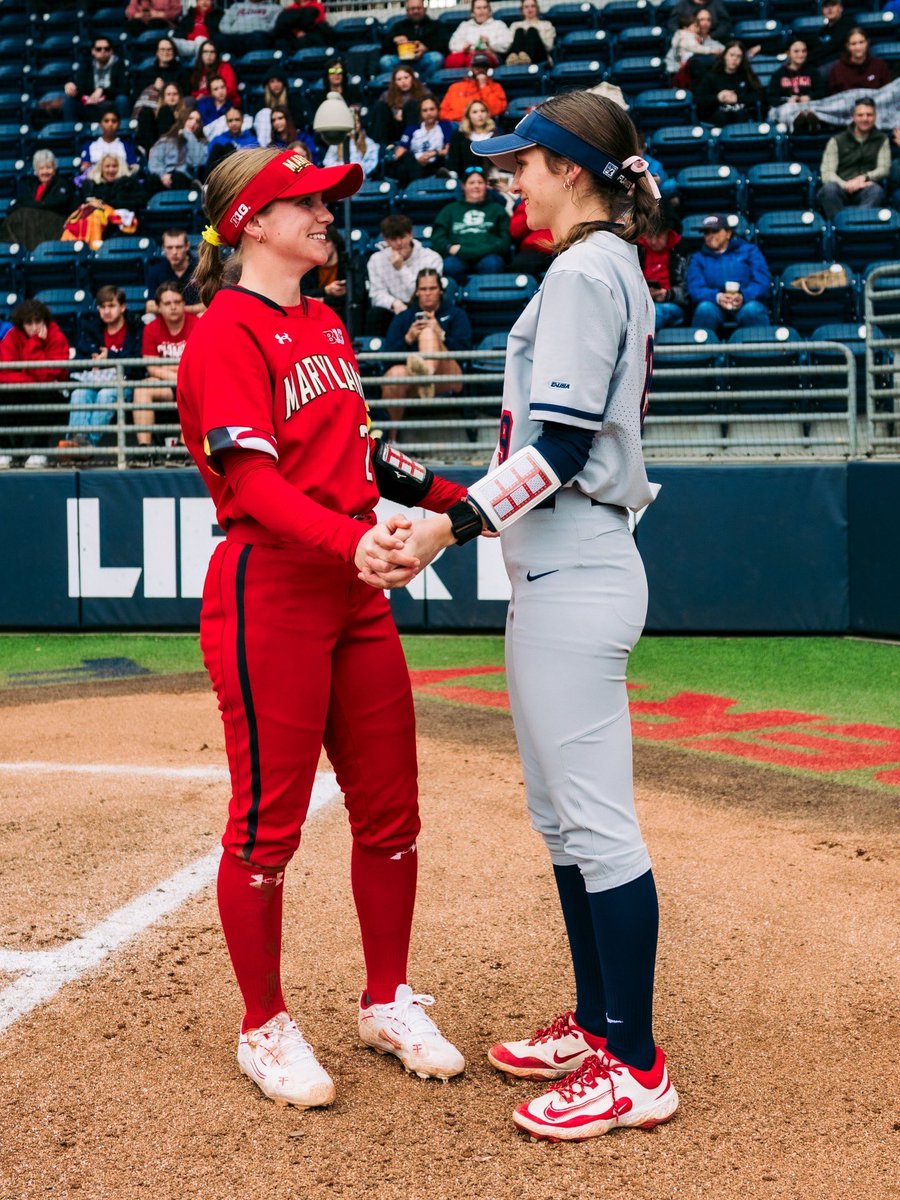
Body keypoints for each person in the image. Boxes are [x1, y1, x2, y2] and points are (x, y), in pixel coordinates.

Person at [377, 90, 680, 1141]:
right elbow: (546, 454)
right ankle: (602, 1024)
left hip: (579, 566)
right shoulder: (602, 268)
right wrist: (431, 491)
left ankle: (634, 1064)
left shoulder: (585, 269)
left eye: (529, 162)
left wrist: (441, 530)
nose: (516, 176)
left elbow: (556, 455)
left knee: (595, 824)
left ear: (574, 171)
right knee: (564, 820)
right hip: (560, 564)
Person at [176, 145, 473, 1109]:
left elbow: (361, 450)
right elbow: (252, 483)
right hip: (276, 589)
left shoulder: (330, 324)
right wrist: (351, 543)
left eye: (326, 201)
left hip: (352, 589)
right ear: (250, 223)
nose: (325, 214)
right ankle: (263, 1024)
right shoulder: (224, 331)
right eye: (303, 202)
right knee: (268, 826)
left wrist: (461, 499)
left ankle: (386, 997)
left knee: (392, 810)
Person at [380, 267, 470, 428]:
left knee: (428, 331)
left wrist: (440, 334)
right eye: (423, 289)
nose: (428, 293)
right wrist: (408, 339)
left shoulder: (456, 314)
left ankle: (426, 374)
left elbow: (465, 351)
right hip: (413, 380)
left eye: (432, 288)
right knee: (394, 376)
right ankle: (392, 438)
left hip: (449, 374)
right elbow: (387, 358)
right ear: (417, 292)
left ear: (440, 291)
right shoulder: (404, 317)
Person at [60, 285, 143, 453]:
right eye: (102, 307)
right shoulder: (92, 329)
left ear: (122, 307)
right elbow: (79, 358)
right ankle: (77, 441)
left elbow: (139, 364)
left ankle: (84, 445)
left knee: (107, 394)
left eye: (111, 306)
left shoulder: (135, 328)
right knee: (79, 393)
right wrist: (91, 362)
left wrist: (110, 357)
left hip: (125, 383)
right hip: (93, 382)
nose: (106, 311)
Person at [0, 298, 70, 469]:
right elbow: (3, 373)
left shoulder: (56, 335)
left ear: (44, 321)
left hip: (51, 395)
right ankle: (5, 450)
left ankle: (39, 450)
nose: (34, 327)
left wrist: (34, 344)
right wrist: (31, 380)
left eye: (37, 321)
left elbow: (47, 376)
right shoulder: (12, 336)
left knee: (44, 392)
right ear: (21, 324)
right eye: (28, 322)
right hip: (23, 391)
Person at [138, 283, 200, 447]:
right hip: (166, 384)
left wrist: (165, 368)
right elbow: (151, 367)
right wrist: (179, 371)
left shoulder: (197, 324)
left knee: (197, 386)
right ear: (158, 307)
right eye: (167, 304)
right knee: (142, 388)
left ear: (184, 304)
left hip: (191, 383)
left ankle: (184, 448)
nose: (173, 307)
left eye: (177, 302)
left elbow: (197, 365)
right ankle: (144, 450)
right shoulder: (151, 329)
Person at [686, 213, 772, 331]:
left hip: (746, 301)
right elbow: (695, 288)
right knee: (704, 309)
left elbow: (762, 281)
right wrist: (718, 297)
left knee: (752, 310)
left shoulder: (750, 251)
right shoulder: (698, 258)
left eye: (715, 231)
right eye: (707, 232)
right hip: (714, 303)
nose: (710, 236)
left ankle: (762, 349)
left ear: (728, 233)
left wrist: (743, 295)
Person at [430, 164, 510, 282]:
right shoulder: (450, 209)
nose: (476, 186)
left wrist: (471, 250)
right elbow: (438, 237)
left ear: (486, 186)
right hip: (457, 257)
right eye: (471, 183)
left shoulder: (497, 209)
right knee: (450, 266)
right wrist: (448, 247)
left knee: (493, 264)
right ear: (463, 186)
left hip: (488, 256)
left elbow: (505, 240)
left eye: (480, 182)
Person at [366, 214, 444, 334]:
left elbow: (425, 292)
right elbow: (376, 294)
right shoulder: (376, 260)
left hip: (422, 307)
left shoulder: (431, 258)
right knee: (375, 314)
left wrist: (401, 269)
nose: (399, 243)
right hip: (393, 309)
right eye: (393, 239)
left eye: (402, 237)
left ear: (410, 234)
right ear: (385, 240)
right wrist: (394, 303)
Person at [817, 98, 890, 218]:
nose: (865, 119)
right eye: (860, 115)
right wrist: (846, 185)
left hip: (866, 187)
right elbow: (827, 173)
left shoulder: (882, 139)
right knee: (829, 189)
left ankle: (859, 225)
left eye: (869, 115)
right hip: (840, 187)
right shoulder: (836, 140)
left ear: (875, 117)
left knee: (877, 191)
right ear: (853, 117)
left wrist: (864, 178)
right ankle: (841, 227)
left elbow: (884, 168)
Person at [0, 150, 74, 250]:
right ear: (36, 170)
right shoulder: (32, 185)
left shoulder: (62, 184)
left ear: (54, 169)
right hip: (31, 225)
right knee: (16, 217)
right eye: (41, 168)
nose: (45, 172)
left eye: (48, 168)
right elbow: (17, 204)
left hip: (55, 225)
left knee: (26, 214)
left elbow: (58, 203)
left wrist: (32, 205)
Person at [63, 35, 132, 123]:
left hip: (111, 102)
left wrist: (102, 91)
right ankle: (71, 134)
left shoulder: (119, 65)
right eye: (99, 49)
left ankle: (124, 131)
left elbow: (124, 88)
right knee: (70, 102)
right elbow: (79, 87)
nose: (103, 51)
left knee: (123, 100)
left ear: (111, 51)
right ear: (93, 51)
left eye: (107, 49)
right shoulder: (86, 66)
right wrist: (71, 86)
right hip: (89, 102)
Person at [388, 97, 455, 186]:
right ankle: (417, 186)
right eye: (425, 110)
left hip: (435, 163)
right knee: (405, 163)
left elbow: (448, 150)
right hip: (414, 165)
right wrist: (417, 159)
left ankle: (418, 187)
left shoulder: (444, 126)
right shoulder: (412, 129)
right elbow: (399, 155)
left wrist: (433, 153)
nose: (429, 113)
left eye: (432, 109)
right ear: (420, 113)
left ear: (438, 110)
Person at [695, 42, 765, 126]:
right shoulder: (711, 76)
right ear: (725, 56)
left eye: (738, 56)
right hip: (716, 118)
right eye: (731, 55)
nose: (734, 59)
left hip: (742, 117)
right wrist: (718, 98)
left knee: (740, 114)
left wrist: (737, 98)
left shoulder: (747, 76)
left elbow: (760, 95)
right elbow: (699, 99)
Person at [638, 216, 689, 329]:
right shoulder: (637, 250)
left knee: (653, 313)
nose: (653, 241)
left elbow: (689, 291)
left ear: (668, 233)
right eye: (650, 236)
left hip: (672, 304)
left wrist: (667, 294)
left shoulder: (682, 251)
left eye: (659, 236)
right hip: (641, 303)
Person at [380, 0, 450, 79]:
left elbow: (445, 45)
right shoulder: (398, 26)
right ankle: (397, 87)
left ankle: (426, 86)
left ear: (425, 9)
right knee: (385, 61)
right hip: (402, 61)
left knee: (436, 58)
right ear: (407, 11)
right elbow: (384, 48)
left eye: (419, 8)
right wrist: (393, 40)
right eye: (412, 9)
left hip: (424, 59)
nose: (416, 11)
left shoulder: (436, 25)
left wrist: (426, 48)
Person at [368, 66, 434, 150]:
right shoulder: (387, 94)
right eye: (399, 79)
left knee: (411, 105)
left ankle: (411, 145)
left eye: (406, 77)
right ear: (394, 82)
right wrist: (395, 113)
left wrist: (405, 112)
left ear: (412, 78)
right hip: (393, 129)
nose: (403, 82)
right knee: (380, 106)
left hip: (416, 127)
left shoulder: (424, 92)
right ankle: (379, 148)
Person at [148, 108, 209, 192]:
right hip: (163, 176)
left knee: (177, 176)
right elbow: (154, 162)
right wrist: (163, 175)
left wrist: (189, 135)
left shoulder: (201, 144)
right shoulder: (166, 140)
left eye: (197, 121)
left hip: (185, 179)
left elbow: (197, 161)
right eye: (190, 118)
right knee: (151, 180)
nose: (193, 123)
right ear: (183, 119)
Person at [145, 229, 204, 315]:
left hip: (195, 317)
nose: (174, 252)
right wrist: (173, 310)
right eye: (169, 247)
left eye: (179, 247)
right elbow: (150, 306)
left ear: (187, 246)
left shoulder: (200, 268)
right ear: (163, 248)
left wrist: (179, 309)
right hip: (167, 317)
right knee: (149, 317)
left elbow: (208, 305)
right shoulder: (155, 271)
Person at [439, 54, 508, 122]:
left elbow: (496, 110)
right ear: (471, 68)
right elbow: (443, 113)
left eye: (484, 66)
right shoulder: (455, 87)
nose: (481, 69)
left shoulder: (495, 87)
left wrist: (483, 86)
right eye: (477, 67)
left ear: (488, 69)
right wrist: (466, 119)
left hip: (484, 125)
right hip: (459, 125)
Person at [445, 0, 512, 69]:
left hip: (489, 55)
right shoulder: (464, 25)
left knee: (479, 59)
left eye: (485, 7)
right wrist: (464, 48)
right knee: (451, 60)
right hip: (467, 54)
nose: (482, 11)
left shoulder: (498, 24)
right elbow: (452, 44)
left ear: (489, 11)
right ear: (472, 12)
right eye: (478, 8)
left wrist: (490, 44)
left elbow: (506, 44)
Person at [826, 28, 892, 95]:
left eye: (861, 42)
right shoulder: (837, 69)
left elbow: (887, 93)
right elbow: (833, 97)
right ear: (847, 46)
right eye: (853, 44)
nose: (858, 47)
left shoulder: (880, 65)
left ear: (867, 43)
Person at [136, 81, 194, 155]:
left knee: (165, 111)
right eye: (168, 94)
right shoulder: (158, 113)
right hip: (153, 145)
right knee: (146, 111)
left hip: (176, 146)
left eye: (175, 94)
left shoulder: (185, 114)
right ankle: (146, 152)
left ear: (180, 96)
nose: (172, 97)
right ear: (163, 97)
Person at [665, 9, 724, 80]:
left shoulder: (715, 44)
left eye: (708, 20)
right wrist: (680, 66)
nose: (705, 23)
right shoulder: (682, 40)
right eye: (701, 20)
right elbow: (670, 65)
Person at [766, 39, 823, 112]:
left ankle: (807, 118)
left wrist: (809, 97)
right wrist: (787, 101)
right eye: (796, 51)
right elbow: (771, 98)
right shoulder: (778, 74)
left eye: (804, 51)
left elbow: (821, 92)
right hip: (786, 108)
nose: (801, 54)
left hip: (809, 106)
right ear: (788, 53)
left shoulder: (813, 72)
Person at [322, 107, 380, 178]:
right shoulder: (337, 142)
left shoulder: (369, 143)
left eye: (357, 121)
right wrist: (341, 168)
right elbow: (327, 162)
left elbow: (372, 163)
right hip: (340, 178)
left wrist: (356, 168)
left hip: (359, 180)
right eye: (351, 122)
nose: (354, 125)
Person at [78, 108, 140, 174]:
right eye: (106, 121)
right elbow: (84, 167)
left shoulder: (126, 146)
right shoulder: (90, 146)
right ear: (100, 124)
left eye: (114, 121)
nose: (110, 124)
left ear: (119, 124)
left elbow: (133, 166)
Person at [446, 99, 497, 177]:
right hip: (465, 181)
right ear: (468, 116)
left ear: (487, 114)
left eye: (482, 111)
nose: (480, 115)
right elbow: (453, 163)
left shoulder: (497, 135)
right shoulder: (459, 136)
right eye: (475, 112)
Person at [509, 197, 552, 278]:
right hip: (538, 248)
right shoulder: (531, 197)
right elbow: (515, 231)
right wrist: (530, 210)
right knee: (520, 265)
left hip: (570, 245)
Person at [807, 0, 857, 69]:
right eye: (826, 6)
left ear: (841, 8)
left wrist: (808, 58)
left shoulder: (848, 24)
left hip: (843, 65)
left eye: (833, 5)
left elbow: (831, 47)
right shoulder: (823, 30)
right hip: (823, 63)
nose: (829, 9)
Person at [207, 107, 260, 171]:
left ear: (242, 120)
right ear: (226, 122)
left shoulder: (252, 140)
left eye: (237, 119)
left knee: (229, 147)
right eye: (230, 120)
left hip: (243, 173)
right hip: (219, 174)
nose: (234, 123)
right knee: (219, 147)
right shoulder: (217, 140)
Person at [190, 39, 240, 107]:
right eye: (205, 52)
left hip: (225, 103)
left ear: (216, 54)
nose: (209, 55)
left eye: (212, 52)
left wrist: (207, 96)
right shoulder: (198, 70)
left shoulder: (225, 68)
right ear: (200, 54)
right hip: (202, 104)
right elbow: (194, 92)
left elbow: (230, 90)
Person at [506, 0, 555, 66]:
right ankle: (516, 59)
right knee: (519, 31)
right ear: (522, 10)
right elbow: (509, 45)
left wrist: (534, 38)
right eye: (526, 7)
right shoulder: (515, 25)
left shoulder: (546, 24)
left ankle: (526, 58)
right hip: (517, 55)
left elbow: (549, 46)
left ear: (537, 9)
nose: (530, 9)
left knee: (532, 30)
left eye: (533, 6)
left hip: (539, 56)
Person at [666, 0, 731, 42]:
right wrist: (685, 35)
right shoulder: (682, 4)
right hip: (686, 40)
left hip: (712, 39)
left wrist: (711, 36)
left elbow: (726, 23)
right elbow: (672, 23)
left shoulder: (716, 3)